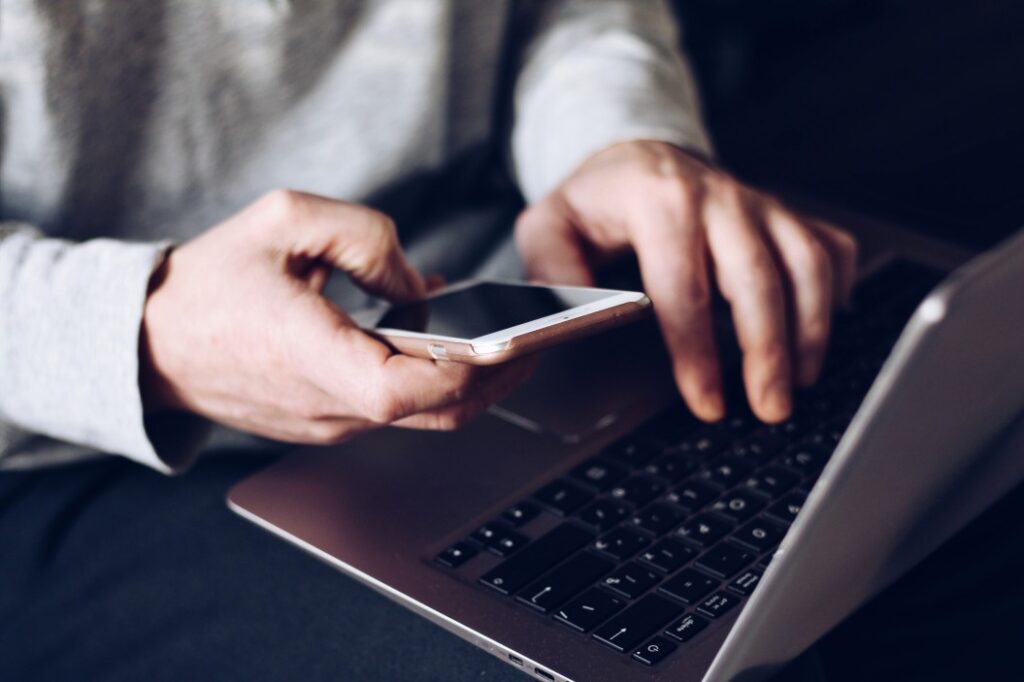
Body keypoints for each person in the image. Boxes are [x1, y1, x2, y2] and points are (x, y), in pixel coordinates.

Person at [0, 1, 856, 679]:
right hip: (71, 441)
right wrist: (142, 331)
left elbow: (560, 12)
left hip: (510, 303)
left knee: (888, 500)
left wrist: (615, 135)